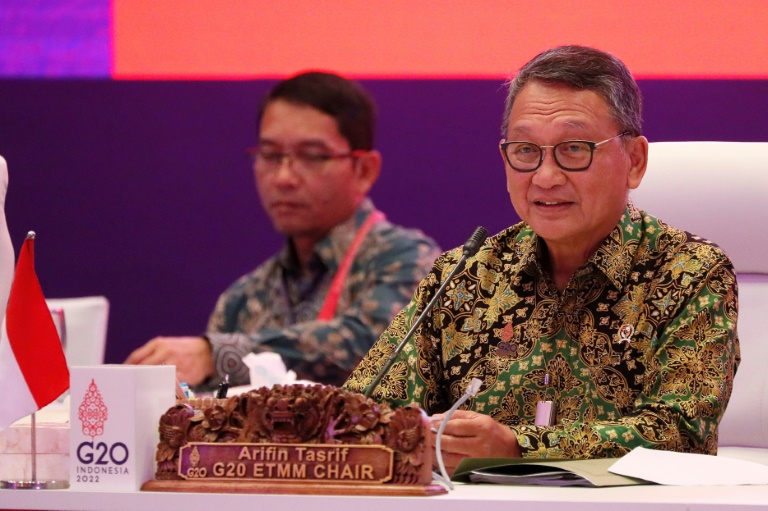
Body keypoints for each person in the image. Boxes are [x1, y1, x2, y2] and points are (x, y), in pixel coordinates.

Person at [344, 45, 740, 473]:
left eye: (574, 149)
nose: (546, 177)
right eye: (526, 151)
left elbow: (680, 435)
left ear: (635, 161)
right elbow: (362, 412)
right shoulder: (464, 275)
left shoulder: (689, 273)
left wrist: (518, 448)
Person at [126, 71, 441, 390]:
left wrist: (219, 355)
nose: (283, 178)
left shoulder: (409, 261)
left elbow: (377, 345)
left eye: (312, 156)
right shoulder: (242, 300)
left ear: (364, 170)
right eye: (271, 155)